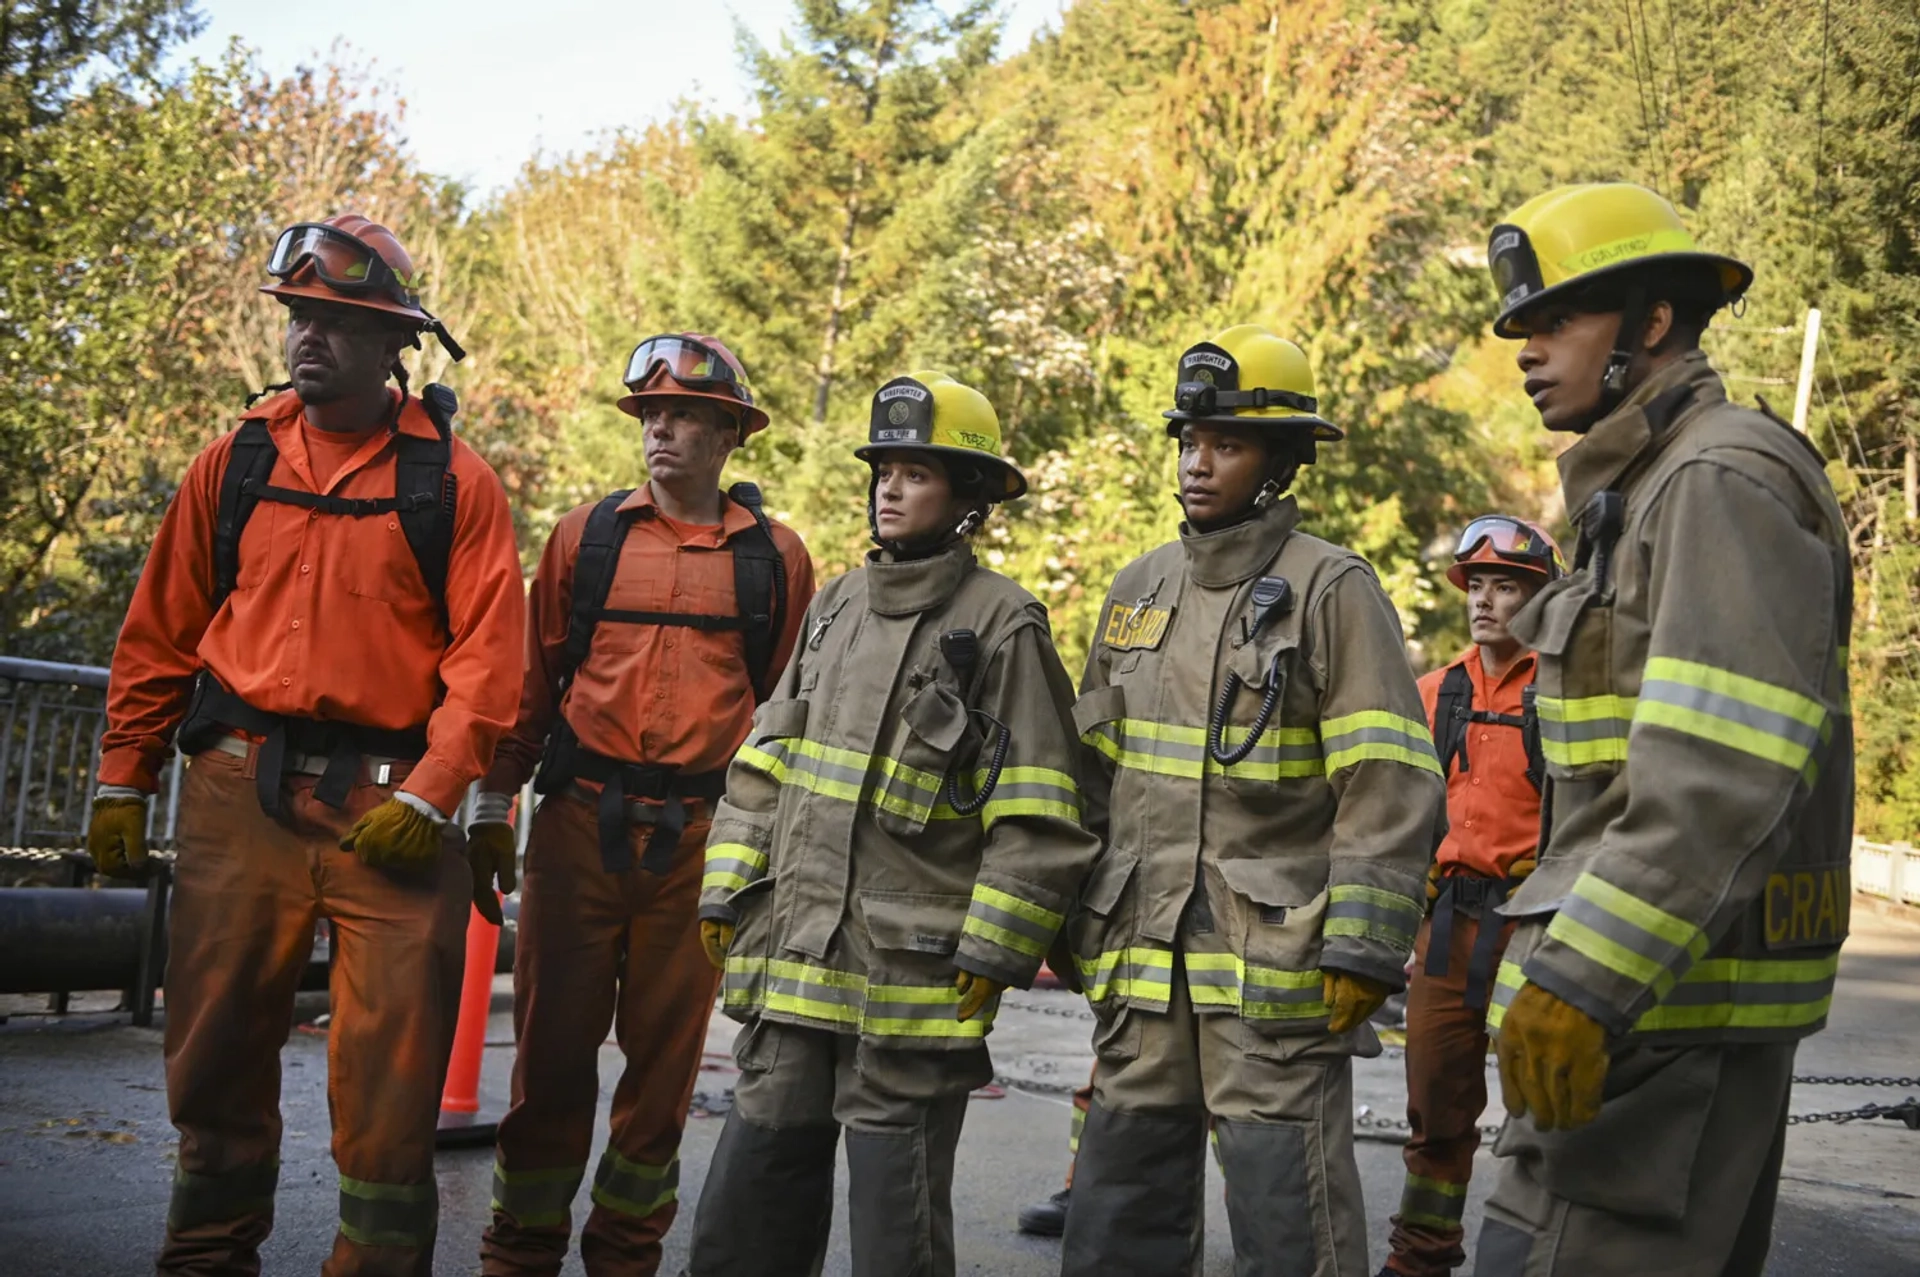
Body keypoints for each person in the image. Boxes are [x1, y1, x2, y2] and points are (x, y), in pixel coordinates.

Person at [86, 213, 526, 1275]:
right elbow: (159, 627)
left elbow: (491, 667)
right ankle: (204, 1254)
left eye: (339, 320)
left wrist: (429, 797)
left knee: (391, 1075)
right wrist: (123, 775)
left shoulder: (454, 483)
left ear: (395, 347)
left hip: (392, 816)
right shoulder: (231, 462)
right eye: (301, 317)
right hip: (238, 794)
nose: (310, 337)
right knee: (218, 1052)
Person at [1475, 182, 1853, 1275]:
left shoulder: (1716, 476)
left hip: (1654, 1025)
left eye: (1557, 321)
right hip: (1648, 1022)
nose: (1529, 350)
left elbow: (1719, 766)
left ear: (1649, 322)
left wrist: (1585, 976)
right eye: (1522, 330)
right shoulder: (1639, 490)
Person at [685, 371, 1102, 1277]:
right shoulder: (833, 606)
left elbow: (1040, 813)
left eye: (917, 472)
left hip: (911, 985)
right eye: (884, 468)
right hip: (792, 963)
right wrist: (727, 891)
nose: (890, 486)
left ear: (969, 495)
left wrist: (993, 952)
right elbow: (765, 763)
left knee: (895, 1224)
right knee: (747, 1204)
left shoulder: (1003, 624)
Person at [1059, 325, 1446, 1277]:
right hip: (1143, 972)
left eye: (1225, 444)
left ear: (1279, 461)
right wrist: (1073, 921)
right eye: (1189, 441)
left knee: (1290, 1224)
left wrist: (1361, 944)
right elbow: (1088, 775)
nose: (1197, 463)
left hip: (1274, 972)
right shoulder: (1138, 587)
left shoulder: (1331, 588)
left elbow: (1389, 782)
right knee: (1118, 1217)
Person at [474, 333, 814, 1277]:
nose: (662, 431)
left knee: (662, 1075)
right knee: (547, 1061)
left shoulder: (774, 560)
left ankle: (625, 1255)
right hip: (578, 827)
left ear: (728, 435)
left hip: (701, 844)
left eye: (686, 418)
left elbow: (788, 710)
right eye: (652, 415)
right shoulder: (588, 536)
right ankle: (519, 1253)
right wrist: (493, 802)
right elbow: (533, 683)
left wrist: (769, 855)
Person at [1381, 516, 1563, 1277]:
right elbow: (1397, 813)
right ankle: (1422, 1257)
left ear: (1541, 599)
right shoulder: (1434, 693)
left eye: (1508, 586)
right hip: (1449, 918)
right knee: (1436, 1098)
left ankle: (1540, 1259)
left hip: (1536, 923)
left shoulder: (1565, 694)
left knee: (1543, 1106)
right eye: (1478, 585)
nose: (1486, 601)